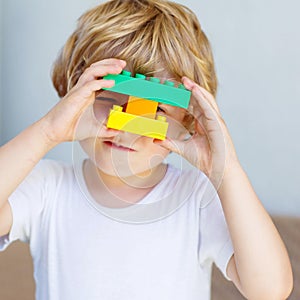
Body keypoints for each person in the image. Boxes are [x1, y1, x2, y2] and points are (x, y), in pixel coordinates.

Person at [0, 0, 293, 299]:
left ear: (189, 122)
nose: (126, 128)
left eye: (155, 111)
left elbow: (269, 291)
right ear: (73, 95)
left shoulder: (196, 197)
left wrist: (227, 169)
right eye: (109, 99)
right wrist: (48, 131)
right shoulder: (47, 187)